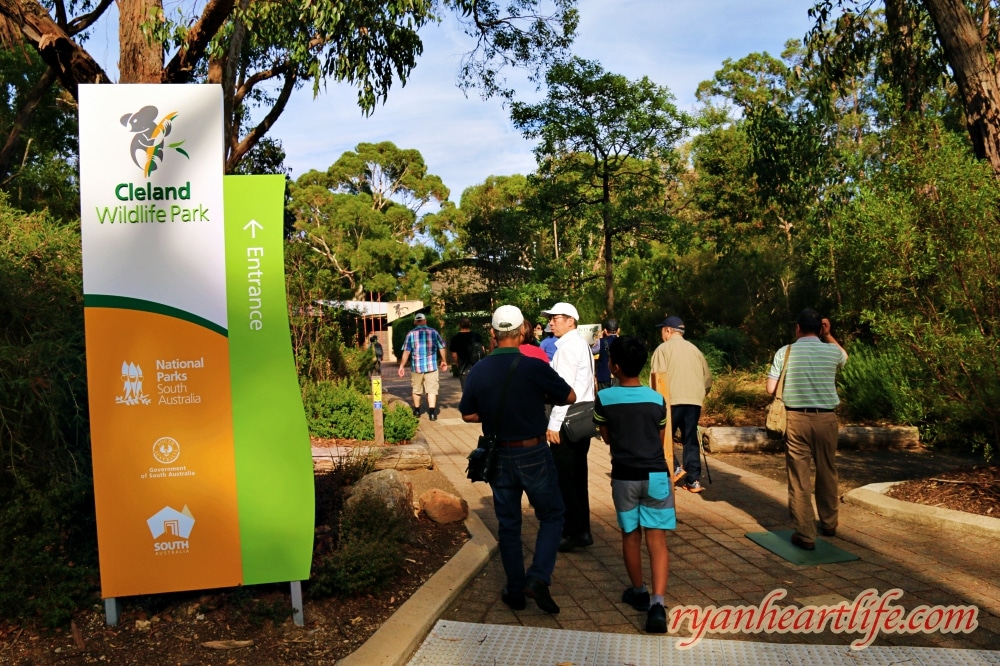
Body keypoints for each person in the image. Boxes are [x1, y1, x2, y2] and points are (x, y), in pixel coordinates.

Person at [460, 305, 576, 614]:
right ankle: (537, 577)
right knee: (552, 515)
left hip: (499, 455)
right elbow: (570, 396)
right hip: (534, 452)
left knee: (509, 524)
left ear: (494, 334)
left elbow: (468, 414)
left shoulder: (479, 370)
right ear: (521, 332)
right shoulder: (533, 365)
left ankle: (514, 590)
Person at [594, 335, 673, 634]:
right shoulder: (657, 400)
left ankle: (638, 591)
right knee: (657, 539)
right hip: (656, 474)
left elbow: (607, 437)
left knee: (630, 534)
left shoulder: (605, 399)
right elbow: (659, 440)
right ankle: (657, 604)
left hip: (624, 475)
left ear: (613, 366)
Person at [766, 308, 848, 551]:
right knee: (827, 470)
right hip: (827, 419)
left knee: (799, 476)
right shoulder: (832, 351)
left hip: (796, 419)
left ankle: (805, 533)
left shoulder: (785, 351)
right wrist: (829, 335)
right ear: (820, 328)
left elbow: (771, 389)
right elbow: (845, 357)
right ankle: (830, 522)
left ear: (798, 327)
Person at [542, 301, 597, 553]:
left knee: (566, 479)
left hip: (567, 420)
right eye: (550, 318)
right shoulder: (579, 344)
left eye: (556, 318)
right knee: (576, 476)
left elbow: (564, 392)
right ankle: (580, 529)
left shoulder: (567, 348)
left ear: (571, 321)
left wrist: (553, 424)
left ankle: (573, 531)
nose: (551, 322)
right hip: (582, 418)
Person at [650, 315, 713, 494]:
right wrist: (700, 395)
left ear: (668, 330)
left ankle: (675, 468)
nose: (662, 333)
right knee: (690, 439)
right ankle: (693, 481)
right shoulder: (695, 349)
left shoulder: (663, 349)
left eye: (662, 330)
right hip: (694, 401)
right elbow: (707, 379)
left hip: (672, 400)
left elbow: (657, 377)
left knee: (660, 436)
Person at [397, 313, 448, 421]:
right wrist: (444, 360)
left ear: (415, 322)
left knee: (416, 390)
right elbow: (442, 347)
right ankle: (432, 414)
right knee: (432, 390)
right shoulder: (433, 332)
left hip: (417, 367)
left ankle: (416, 411)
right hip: (431, 367)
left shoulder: (411, 334)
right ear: (425, 321)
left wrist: (401, 366)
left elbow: (406, 352)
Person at [449, 317, 485, 389]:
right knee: (478, 389)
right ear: (470, 324)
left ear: (459, 325)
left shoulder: (455, 338)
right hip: (477, 366)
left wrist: (457, 363)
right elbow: (482, 349)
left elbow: (454, 355)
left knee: (466, 390)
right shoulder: (476, 336)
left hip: (463, 367)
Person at [594, 318, 620, 390]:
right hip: (618, 376)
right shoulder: (622, 341)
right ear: (618, 330)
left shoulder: (600, 342)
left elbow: (592, 351)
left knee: (604, 399)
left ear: (605, 331)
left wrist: (598, 339)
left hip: (603, 376)